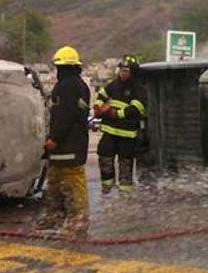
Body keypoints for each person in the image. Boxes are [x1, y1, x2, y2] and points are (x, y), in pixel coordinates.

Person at [38, 46, 91, 236]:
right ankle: (55, 216)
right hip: (65, 147)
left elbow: (65, 116)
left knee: (73, 184)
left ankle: (78, 222)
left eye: (59, 67)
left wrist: (53, 139)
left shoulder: (67, 86)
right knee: (55, 183)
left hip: (69, 146)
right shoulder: (79, 85)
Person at [93, 54, 148, 194]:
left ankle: (125, 194)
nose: (122, 73)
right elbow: (101, 95)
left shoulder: (139, 89)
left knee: (125, 164)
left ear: (133, 72)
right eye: (121, 70)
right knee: (104, 157)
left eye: (126, 71)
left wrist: (116, 114)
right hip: (109, 131)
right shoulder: (114, 84)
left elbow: (137, 108)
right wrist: (98, 107)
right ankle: (107, 189)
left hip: (127, 135)